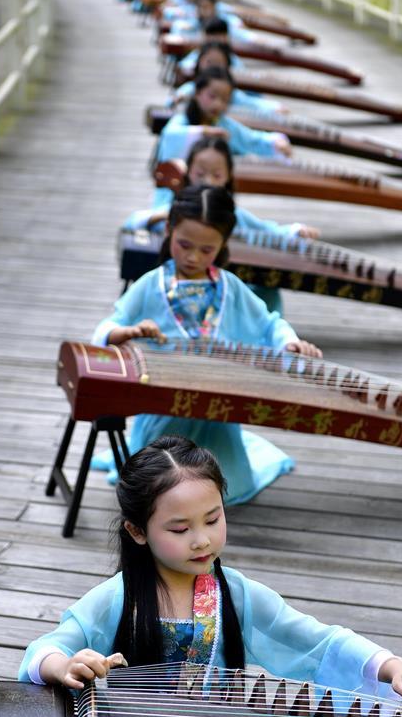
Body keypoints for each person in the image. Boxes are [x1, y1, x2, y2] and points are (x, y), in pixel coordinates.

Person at [18, 435, 402, 717]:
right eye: (180, 529)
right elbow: (47, 649)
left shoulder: (234, 594)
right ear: (137, 531)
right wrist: (64, 664)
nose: (202, 540)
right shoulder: (118, 599)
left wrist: (391, 666)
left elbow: (316, 641)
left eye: (213, 518)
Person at [93, 184, 320, 504]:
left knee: (223, 479)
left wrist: (289, 343)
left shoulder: (229, 287)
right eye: (184, 244)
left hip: (215, 409)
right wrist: (127, 332)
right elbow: (108, 326)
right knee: (159, 485)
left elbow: (270, 323)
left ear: (223, 245)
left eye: (206, 250)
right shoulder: (151, 285)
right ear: (169, 229)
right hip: (163, 407)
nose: (192, 256)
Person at [124, 136, 319, 313]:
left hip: (223, 294)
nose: (207, 181)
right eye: (200, 174)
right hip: (175, 290)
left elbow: (267, 231)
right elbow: (133, 223)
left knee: (266, 286)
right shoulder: (175, 210)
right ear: (188, 171)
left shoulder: (231, 215)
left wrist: (295, 231)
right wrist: (162, 215)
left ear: (228, 178)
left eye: (216, 176)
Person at [156, 67, 291, 163]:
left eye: (225, 100)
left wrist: (275, 142)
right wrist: (204, 131)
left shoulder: (224, 125)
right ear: (197, 93)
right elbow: (170, 135)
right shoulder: (182, 119)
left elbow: (252, 139)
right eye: (212, 96)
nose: (218, 104)